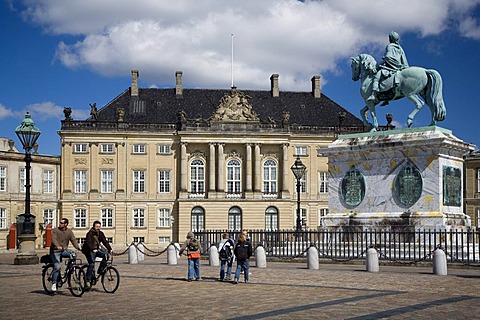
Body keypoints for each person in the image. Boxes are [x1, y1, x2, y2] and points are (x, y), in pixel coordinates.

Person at [368, 31, 410, 103]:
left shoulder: (390, 46)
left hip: (391, 67)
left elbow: (388, 57)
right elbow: (404, 59)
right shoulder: (400, 48)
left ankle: (373, 94)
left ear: (391, 38)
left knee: (377, 78)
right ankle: (386, 99)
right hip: (400, 67)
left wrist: (378, 66)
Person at [50, 218, 81, 293]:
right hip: (55, 251)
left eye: (61, 223)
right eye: (60, 222)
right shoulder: (55, 230)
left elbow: (73, 240)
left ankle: (69, 268)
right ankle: (54, 283)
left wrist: (78, 247)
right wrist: (57, 246)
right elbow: (53, 239)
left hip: (64, 250)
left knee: (73, 254)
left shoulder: (69, 231)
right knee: (57, 267)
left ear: (66, 224)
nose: (59, 224)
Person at [82, 220, 113, 288]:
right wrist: (93, 249)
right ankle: (88, 280)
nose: (98, 228)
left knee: (106, 255)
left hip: (96, 249)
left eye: (99, 226)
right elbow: (88, 242)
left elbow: (105, 241)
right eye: (97, 226)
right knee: (92, 263)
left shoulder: (100, 233)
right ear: (94, 227)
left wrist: (109, 249)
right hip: (88, 250)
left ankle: (100, 270)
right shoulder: (90, 233)